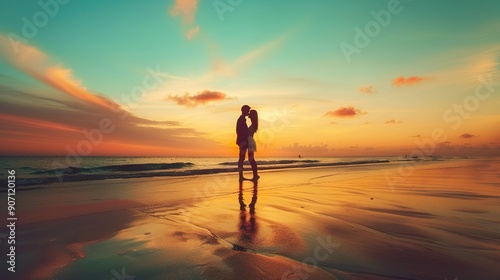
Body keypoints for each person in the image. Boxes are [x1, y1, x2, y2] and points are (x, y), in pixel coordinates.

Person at [236, 105, 251, 181]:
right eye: (247, 111)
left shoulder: (242, 119)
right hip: (242, 141)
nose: (248, 112)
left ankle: (241, 176)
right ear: (244, 111)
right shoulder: (241, 120)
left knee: (241, 158)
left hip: (242, 141)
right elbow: (240, 131)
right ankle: (240, 176)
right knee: (241, 158)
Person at [247, 109, 259, 181]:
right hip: (250, 141)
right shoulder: (253, 124)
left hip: (250, 141)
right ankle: (255, 175)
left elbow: (248, 134)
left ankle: (255, 175)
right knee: (251, 159)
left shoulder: (253, 125)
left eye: (250, 113)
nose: (249, 114)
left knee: (251, 159)